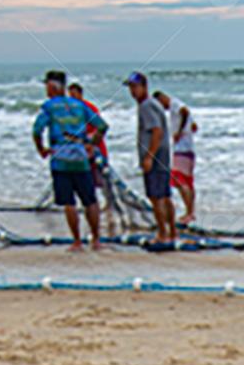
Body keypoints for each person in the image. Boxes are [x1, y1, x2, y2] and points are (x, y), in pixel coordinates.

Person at [32, 69, 108, 251]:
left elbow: (37, 130)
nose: (46, 90)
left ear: (52, 86)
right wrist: (91, 143)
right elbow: (102, 126)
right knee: (90, 200)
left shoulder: (49, 106)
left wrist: (41, 149)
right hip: (81, 159)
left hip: (60, 160)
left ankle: (77, 241)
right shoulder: (79, 105)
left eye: (47, 86)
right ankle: (96, 239)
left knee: (69, 203)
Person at [124, 71, 175, 245]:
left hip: (156, 155)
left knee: (156, 197)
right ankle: (172, 232)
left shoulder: (146, 106)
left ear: (144, 87)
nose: (132, 92)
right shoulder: (154, 104)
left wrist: (148, 157)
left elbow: (157, 131)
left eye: (135, 87)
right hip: (163, 155)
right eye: (130, 88)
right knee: (165, 196)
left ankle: (162, 233)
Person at [68, 81, 117, 225]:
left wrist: (90, 141)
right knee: (88, 181)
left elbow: (100, 128)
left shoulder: (89, 108)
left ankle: (110, 205)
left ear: (80, 94)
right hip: (81, 152)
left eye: (74, 95)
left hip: (96, 150)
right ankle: (92, 204)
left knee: (104, 179)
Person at [152, 88, 197, 224]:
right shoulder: (176, 106)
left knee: (179, 180)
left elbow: (185, 112)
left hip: (182, 148)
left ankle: (189, 212)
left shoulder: (175, 104)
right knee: (187, 181)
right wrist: (189, 127)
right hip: (188, 148)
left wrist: (179, 131)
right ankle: (190, 212)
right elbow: (192, 123)